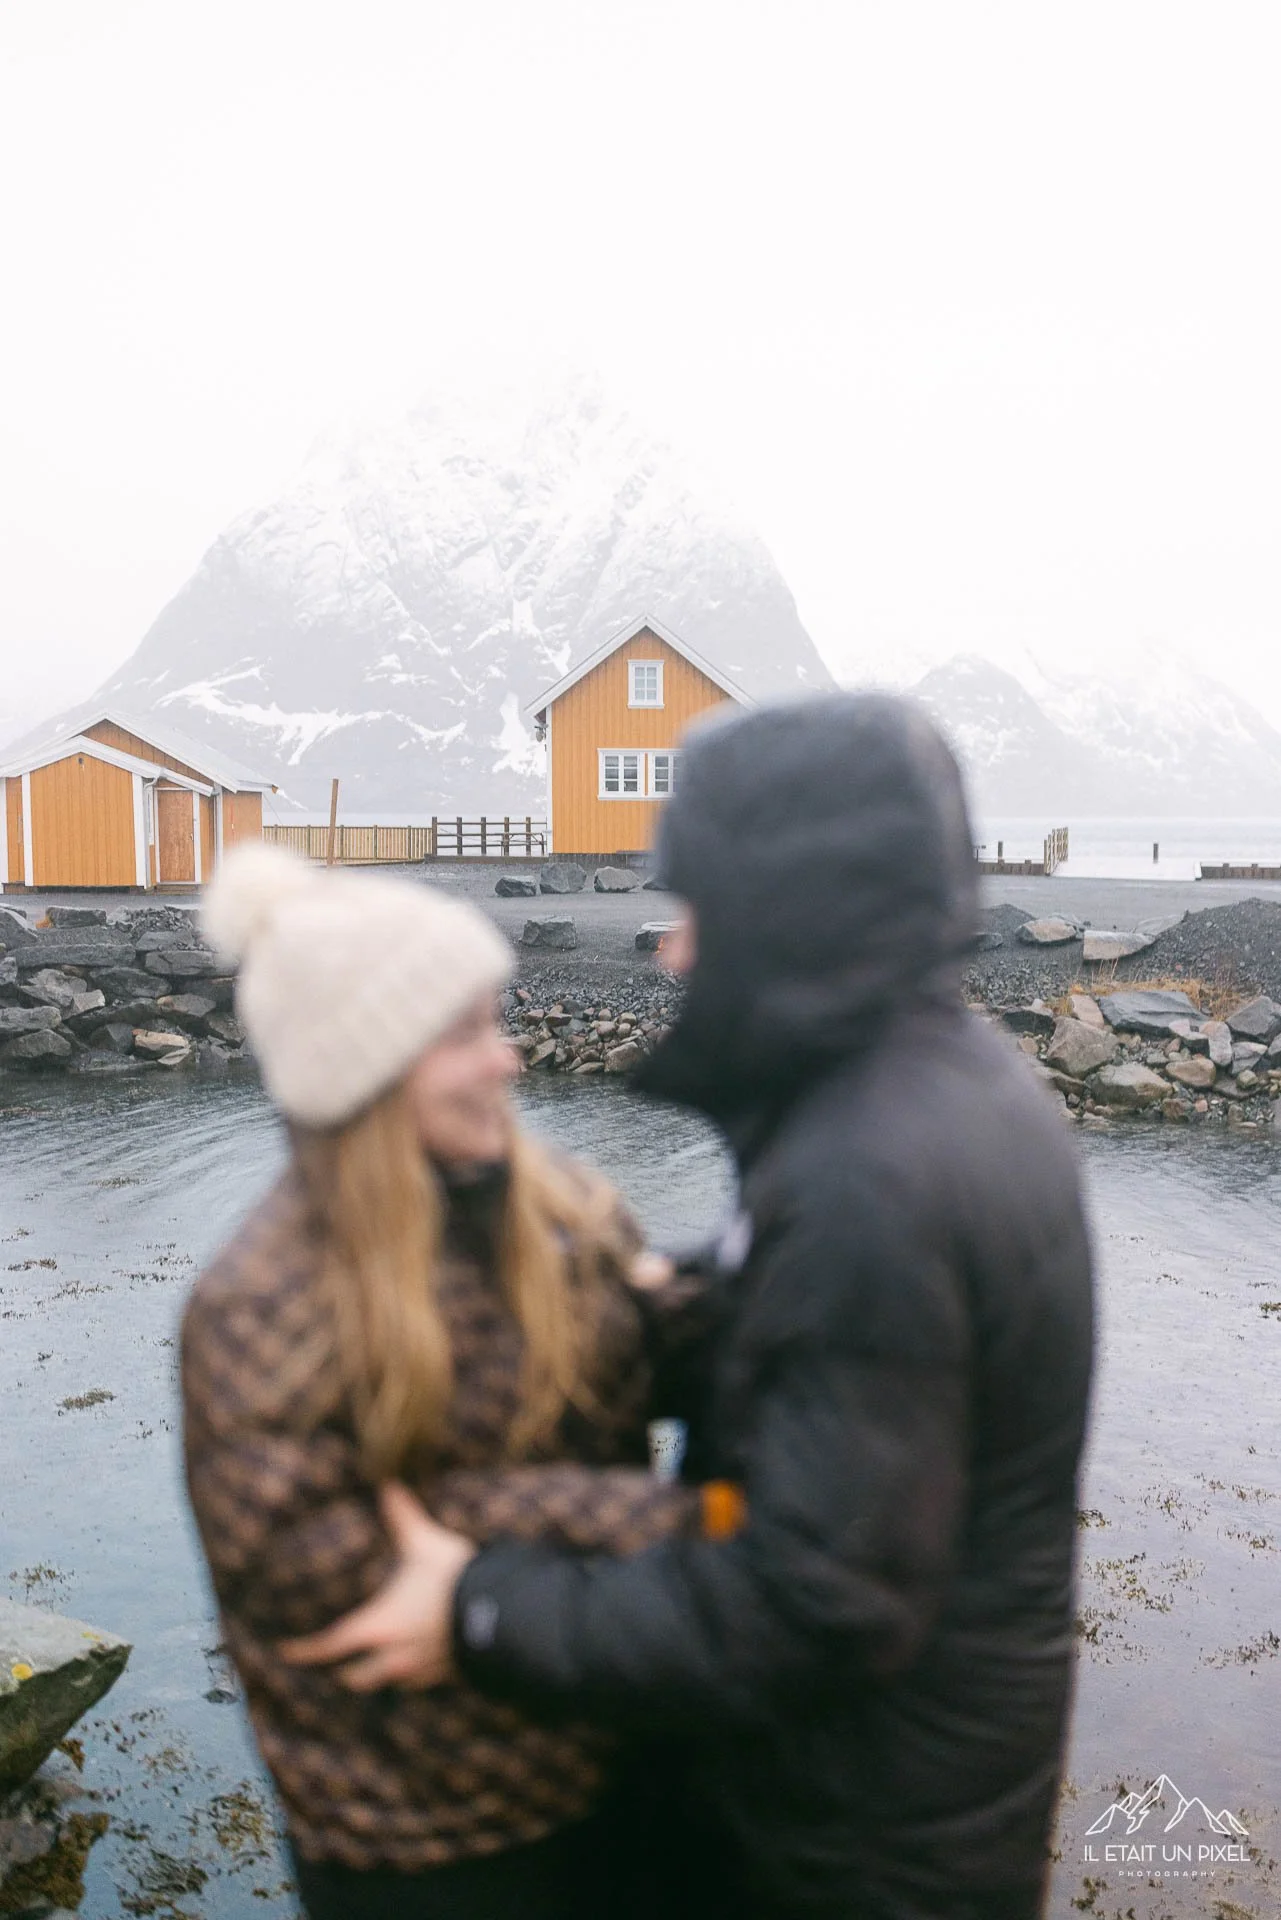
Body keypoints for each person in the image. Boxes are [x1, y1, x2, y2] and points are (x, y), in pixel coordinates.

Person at [284, 695, 1097, 1920]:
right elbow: (854, 1343)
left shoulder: (869, 1177)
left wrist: (482, 1605)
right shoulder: (945, 1088)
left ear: (790, 914)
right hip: (926, 1796)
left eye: (695, 909)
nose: (670, 950)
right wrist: (681, 1290)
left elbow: (817, 1602)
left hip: (848, 1850)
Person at [180, 844, 725, 1920]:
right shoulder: (260, 1305)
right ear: (367, 1069)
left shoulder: (554, 1207)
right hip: (423, 1854)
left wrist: (811, 1279)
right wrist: (659, 1520)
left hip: (615, 1779)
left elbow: (642, 1343)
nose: (509, 1061)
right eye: (467, 1034)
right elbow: (326, 1582)